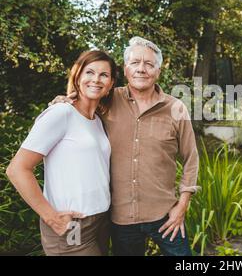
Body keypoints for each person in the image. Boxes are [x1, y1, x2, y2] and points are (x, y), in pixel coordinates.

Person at [52, 36, 199, 256]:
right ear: (126, 68)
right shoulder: (107, 99)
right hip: (121, 218)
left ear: (158, 71)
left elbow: (191, 158)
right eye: (135, 63)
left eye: (149, 64)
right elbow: (84, 100)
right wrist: (65, 100)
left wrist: (182, 206)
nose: (142, 69)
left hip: (166, 214)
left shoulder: (176, 108)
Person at [6, 50, 117, 256]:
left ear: (111, 84)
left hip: (100, 221)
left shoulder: (98, 121)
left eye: (104, 75)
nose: (96, 79)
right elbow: (17, 169)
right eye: (90, 72)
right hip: (72, 225)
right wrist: (51, 218)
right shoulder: (61, 113)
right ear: (77, 76)